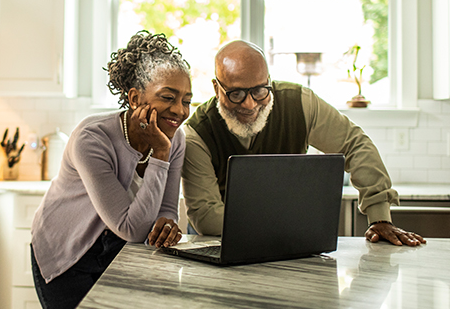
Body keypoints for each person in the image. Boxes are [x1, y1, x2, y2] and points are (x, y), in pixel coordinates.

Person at [181, 40, 425, 247]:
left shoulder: (300, 104)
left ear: (269, 80)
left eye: (259, 91)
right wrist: (293, 222)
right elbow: (206, 216)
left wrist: (379, 216)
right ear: (216, 88)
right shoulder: (196, 134)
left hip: (288, 243)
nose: (250, 104)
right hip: (218, 245)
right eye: (236, 94)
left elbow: (354, 144)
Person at [30, 31, 192, 309]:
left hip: (119, 252)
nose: (180, 111)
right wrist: (159, 153)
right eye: (168, 97)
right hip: (67, 253)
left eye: (186, 100)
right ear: (134, 98)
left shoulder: (176, 138)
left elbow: (166, 211)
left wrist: (167, 223)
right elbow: (132, 228)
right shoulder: (92, 139)